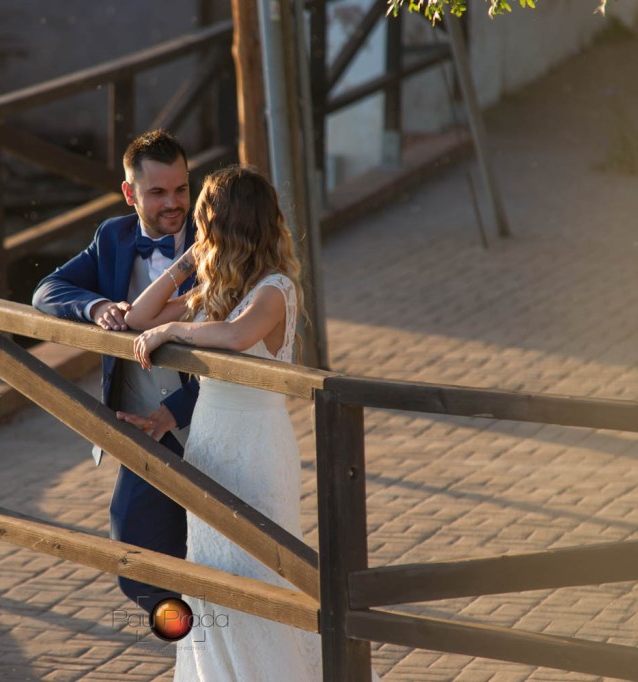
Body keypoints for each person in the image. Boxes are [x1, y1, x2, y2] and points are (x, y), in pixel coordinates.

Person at [126, 166, 380, 681]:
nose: (197, 229)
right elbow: (137, 318)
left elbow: (236, 336)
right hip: (210, 441)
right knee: (212, 572)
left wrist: (175, 330)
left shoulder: (275, 288)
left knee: (261, 569)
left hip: (256, 447)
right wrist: (186, 263)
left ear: (224, 224)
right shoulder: (215, 289)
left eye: (203, 222)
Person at [31, 129, 199, 614]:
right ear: (129, 193)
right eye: (158, 192)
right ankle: (188, 634)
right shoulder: (113, 236)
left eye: (181, 189)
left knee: (222, 552)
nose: (174, 203)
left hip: (207, 416)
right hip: (142, 425)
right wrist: (97, 306)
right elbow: (47, 290)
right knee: (134, 549)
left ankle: (208, 641)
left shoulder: (213, 237)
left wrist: (177, 410)